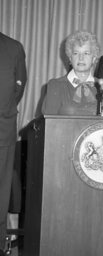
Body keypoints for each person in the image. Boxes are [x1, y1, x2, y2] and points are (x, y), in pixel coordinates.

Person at [0, 32, 27, 255]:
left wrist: (5, 110)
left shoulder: (13, 47)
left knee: (1, 192)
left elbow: (18, 87)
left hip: (2, 128)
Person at [42, 30, 100, 116]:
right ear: (70, 58)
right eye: (76, 53)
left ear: (94, 58)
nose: (81, 58)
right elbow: (49, 124)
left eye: (86, 53)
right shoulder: (56, 85)